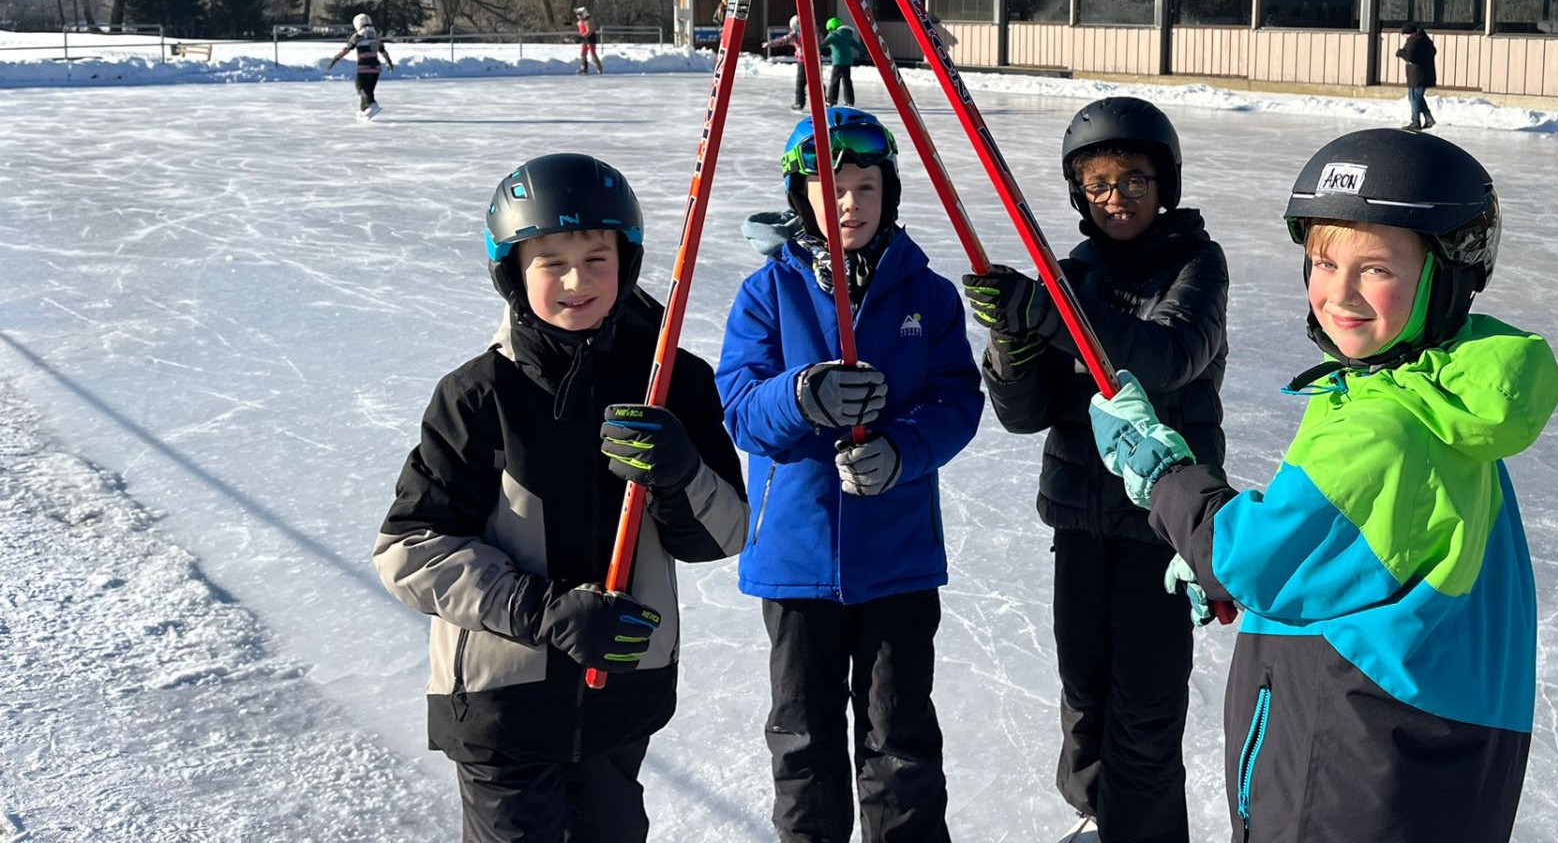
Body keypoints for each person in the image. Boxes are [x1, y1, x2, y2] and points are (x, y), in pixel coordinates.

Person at [1085, 128, 1558, 843]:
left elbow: (1244, 559)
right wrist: (1258, 564)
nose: (1339, 292)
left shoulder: (1384, 427)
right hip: (1424, 772)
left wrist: (1161, 473)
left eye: (1375, 269)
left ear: (1447, 271)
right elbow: (1359, 559)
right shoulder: (1447, 407)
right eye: (1322, 260)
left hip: (1348, 769)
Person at [374, 153, 748, 843]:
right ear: (513, 271)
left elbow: (721, 537)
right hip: (501, 707)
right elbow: (409, 551)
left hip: (622, 695)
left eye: (597, 258)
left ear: (626, 261)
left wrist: (679, 473)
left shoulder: (673, 382)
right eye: (551, 261)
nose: (577, 281)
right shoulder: (478, 395)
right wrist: (545, 613)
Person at [962, 97, 1226, 843]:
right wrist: (1012, 340)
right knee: (1084, 697)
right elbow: (1026, 412)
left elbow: (1167, 358)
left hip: (1162, 523)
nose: (1117, 200)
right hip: (1080, 518)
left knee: (1144, 707)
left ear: (1163, 183)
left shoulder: (1197, 264)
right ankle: (1096, 815)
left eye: (1134, 182)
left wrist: (1048, 308)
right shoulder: (1071, 272)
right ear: (1079, 192)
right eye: (1100, 185)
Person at [716, 107, 983, 843]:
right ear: (800, 196)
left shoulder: (925, 294)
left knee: (901, 740)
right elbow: (739, 408)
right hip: (798, 559)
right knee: (803, 742)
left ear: (888, 194)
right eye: (831, 189)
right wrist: (801, 396)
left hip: (898, 556)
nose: (849, 206)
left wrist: (903, 450)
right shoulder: (767, 294)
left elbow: (958, 399)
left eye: (866, 188)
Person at [326, 12, 395, 118]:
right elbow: (383, 51)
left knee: (361, 87)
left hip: (364, 67)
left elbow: (346, 49)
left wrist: (335, 59)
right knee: (369, 90)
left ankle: (372, 105)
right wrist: (389, 63)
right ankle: (364, 110)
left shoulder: (358, 36)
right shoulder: (375, 36)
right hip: (375, 69)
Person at [1397, 22, 1438, 130]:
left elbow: (1411, 57)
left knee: (1414, 98)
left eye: (1404, 34)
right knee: (1416, 97)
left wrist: (1400, 53)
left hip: (1417, 74)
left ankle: (1415, 121)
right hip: (1424, 73)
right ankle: (1428, 118)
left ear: (1407, 33)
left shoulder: (1413, 41)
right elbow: (1433, 51)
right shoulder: (1424, 39)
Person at [821, 17, 859, 106]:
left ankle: (831, 100)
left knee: (834, 81)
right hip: (847, 61)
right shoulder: (847, 35)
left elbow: (822, 44)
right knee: (847, 81)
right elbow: (856, 45)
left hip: (838, 62)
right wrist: (865, 52)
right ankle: (850, 101)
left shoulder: (833, 35)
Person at [575, 5, 604, 74]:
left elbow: (589, 31)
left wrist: (582, 37)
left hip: (590, 38)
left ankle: (599, 69)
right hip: (584, 38)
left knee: (593, 54)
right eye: (578, 15)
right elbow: (578, 28)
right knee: (583, 54)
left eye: (580, 14)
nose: (578, 16)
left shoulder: (587, 22)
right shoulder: (579, 23)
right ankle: (583, 68)